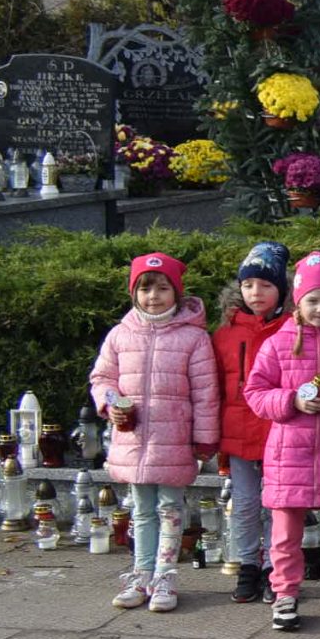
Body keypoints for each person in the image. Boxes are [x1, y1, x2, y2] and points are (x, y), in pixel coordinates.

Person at [87, 251, 218, 614]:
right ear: (134, 293)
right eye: (145, 289)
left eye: (162, 288)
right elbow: (102, 378)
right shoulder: (119, 335)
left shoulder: (194, 338)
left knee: (170, 507)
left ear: (176, 292)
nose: (153, 296)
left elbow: (206, 393)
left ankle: (165, 576)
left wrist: (205, 439)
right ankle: (141, 574)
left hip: (173, 441)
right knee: (141, 509)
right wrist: (110, 403)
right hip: (133, 440)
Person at [241, 252, 320, 630]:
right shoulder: (277, 343)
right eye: (313, 300)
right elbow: (255, 393)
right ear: (298, 300)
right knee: (284, 535)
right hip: (287, 456)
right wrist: (292, 401)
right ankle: (285, 592)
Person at [210, 240, 290, 604]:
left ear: (282, 289)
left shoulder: (292, 329)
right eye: (248, 284)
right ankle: (247, 564)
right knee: (243, 503)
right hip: (238, 433)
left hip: (278, 431)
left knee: (277, 505)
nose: (256, 292)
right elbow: (215, 384)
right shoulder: (226, 332)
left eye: (265, 285)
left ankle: (276, 567)